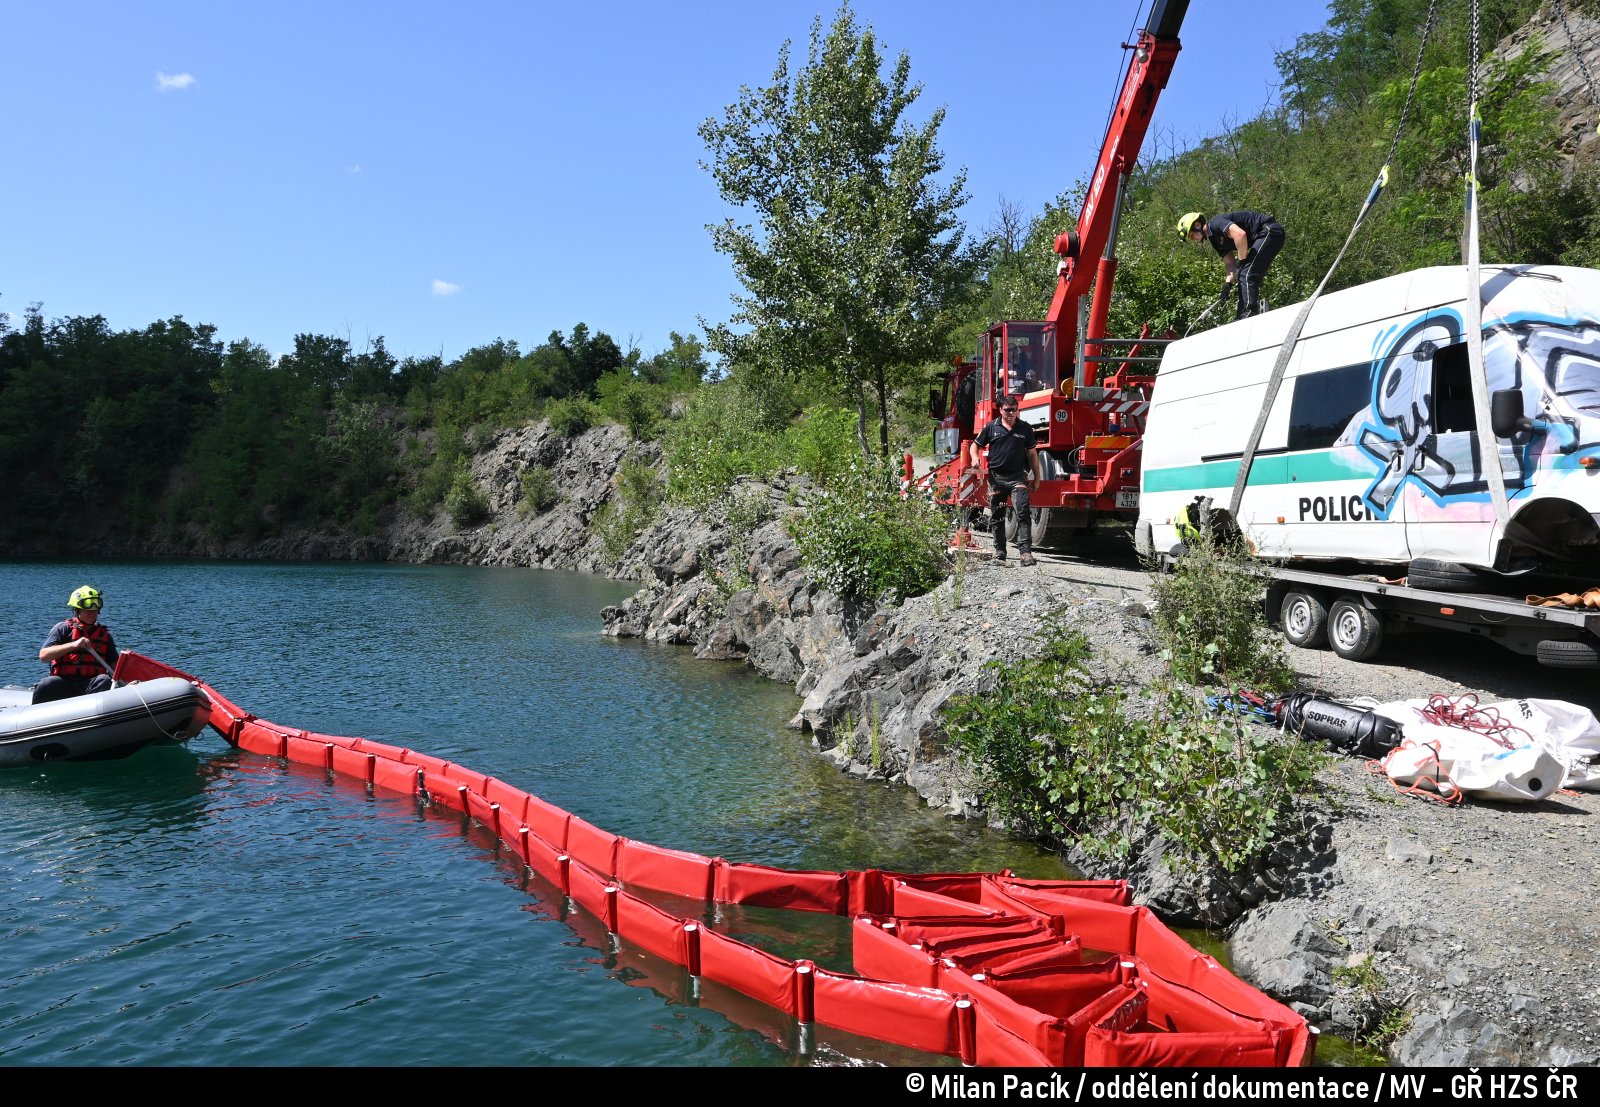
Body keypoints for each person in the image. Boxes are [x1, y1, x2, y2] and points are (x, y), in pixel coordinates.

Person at [968, 395, 1043, 566]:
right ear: (1000, 410)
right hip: (997, 479)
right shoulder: (991, 427)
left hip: (1018, 477)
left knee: (1023, 512)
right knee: (997, 516)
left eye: (1014, 409)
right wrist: (974, 457)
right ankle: (1000, 552)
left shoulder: (1025, 428)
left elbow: (1032, 454)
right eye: (1007, 410)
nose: (1011, 413)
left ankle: (1025, 553)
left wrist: (1037, 478)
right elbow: (975, 445)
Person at [1178, 210, 1285, 320]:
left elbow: (1240, 235)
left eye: (1191, 235)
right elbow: (1230, 263)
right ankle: (1241, 316)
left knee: (1246, 273)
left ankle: (1249, 312)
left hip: (1270, 231)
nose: (1193, 239)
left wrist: (1242, 260)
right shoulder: (1214, 240)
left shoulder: (1215, 224)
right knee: (1243, 276)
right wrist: (1227, 284)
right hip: (1265, 235)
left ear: (1197, 225)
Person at [33, 586, 120, 705]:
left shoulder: (105, 636)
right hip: (64, 683)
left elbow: (116, 667)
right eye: (87, 611)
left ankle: (93, 713)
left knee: (104, 680)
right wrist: (73, 645)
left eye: (94, 610)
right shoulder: (62, 629)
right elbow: (43, 656)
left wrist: (130, 681)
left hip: (90, 685)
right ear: (77, 610)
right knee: (47, 684)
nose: (92, 614)